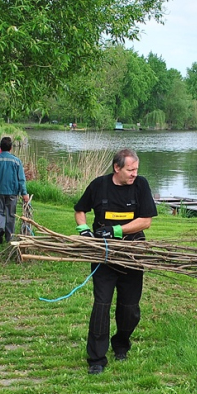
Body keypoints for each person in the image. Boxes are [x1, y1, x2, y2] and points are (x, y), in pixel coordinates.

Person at [73, 148, 158, 374]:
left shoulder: (141, 185)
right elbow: (80, 209)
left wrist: (115, 230)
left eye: (136, 169)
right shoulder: (99, 186)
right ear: (117, 168)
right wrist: (83, 230)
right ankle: (97, 359)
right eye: (130, 170)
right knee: (101, 306)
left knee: (130, 309)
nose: (134, 174)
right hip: (104, 255)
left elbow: (145, 221)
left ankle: (121, 342)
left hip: (132, 253)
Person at [0, 136, 29, 245]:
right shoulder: (17, 161)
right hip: (12, 191)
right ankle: (9, 237)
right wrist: (24, 193)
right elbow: (21, 179)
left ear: (0, 147)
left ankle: (0, 229)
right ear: (11, 148)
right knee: (10, 214)